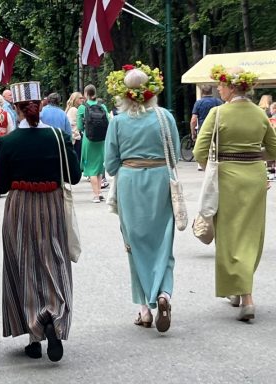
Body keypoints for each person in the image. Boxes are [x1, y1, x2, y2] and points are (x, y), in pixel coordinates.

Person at [0, 81, 81, 362]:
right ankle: (53, 317)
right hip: (51, 204)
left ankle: (33, 333)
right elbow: (74, 176)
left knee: (23, 265)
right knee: (53, 262)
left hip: (20, 206)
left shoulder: (8, 142)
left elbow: (0, 183)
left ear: (16, 108)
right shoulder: (57, 137)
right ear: (40, 105)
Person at [193, 65, 276, 322]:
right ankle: (239, 291)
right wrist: (253, 157)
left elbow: (198, 151)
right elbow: (273, 150)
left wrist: (213, 171)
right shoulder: (260, 114)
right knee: (250, 236)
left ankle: (246, 297)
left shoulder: (218, 113)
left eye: (221, 85)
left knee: (229, 236)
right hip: (254, 179)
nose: (219, 89)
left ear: (230, 87)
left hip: (226, 179)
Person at [104, 63, 179, 333]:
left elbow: (110, 164)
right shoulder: (165, 117)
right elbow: (176, 155)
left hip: (131, 183)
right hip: (160, 181)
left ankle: (144, 310)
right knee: (163, 243)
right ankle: (164, 295)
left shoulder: (119, 122)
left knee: (133, 245)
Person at [78, 84, 110, 202]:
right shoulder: (102, 106)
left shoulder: (82, 107)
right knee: (99, 166)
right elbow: (108, 121)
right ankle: (100, 192)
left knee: (91, 167)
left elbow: (79, 126)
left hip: (89, 139)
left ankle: (96, 195)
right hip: (101, 139)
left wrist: (85, 131)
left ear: (86, 94)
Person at [65, 92, 85, 163]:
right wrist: (78, 137)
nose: (82, 99)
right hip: (75, 140)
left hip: (73, 139)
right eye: (80, 98)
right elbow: (73, 126)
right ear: (75, 99)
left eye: (82, 98)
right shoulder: (74, 110)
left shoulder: (71, 110)